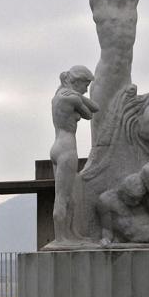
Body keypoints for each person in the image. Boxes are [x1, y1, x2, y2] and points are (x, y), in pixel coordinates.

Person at [87, 0, 141, 139]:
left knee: (125, 127)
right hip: (106, 75)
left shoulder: (130, 7)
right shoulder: (101, 8)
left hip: (125, 76)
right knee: (100, 124)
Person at [50, 66, 99, 243]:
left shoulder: (57, 96)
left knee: (69, 197)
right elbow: (92, 111)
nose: (86, 89)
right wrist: (78, 96)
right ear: (76, 81)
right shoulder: (73, 98)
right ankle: (60, 238)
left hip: (57, 146)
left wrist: (75, 94)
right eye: (85, 85)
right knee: (63, 197)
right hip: (67, 148)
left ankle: (70, 234)